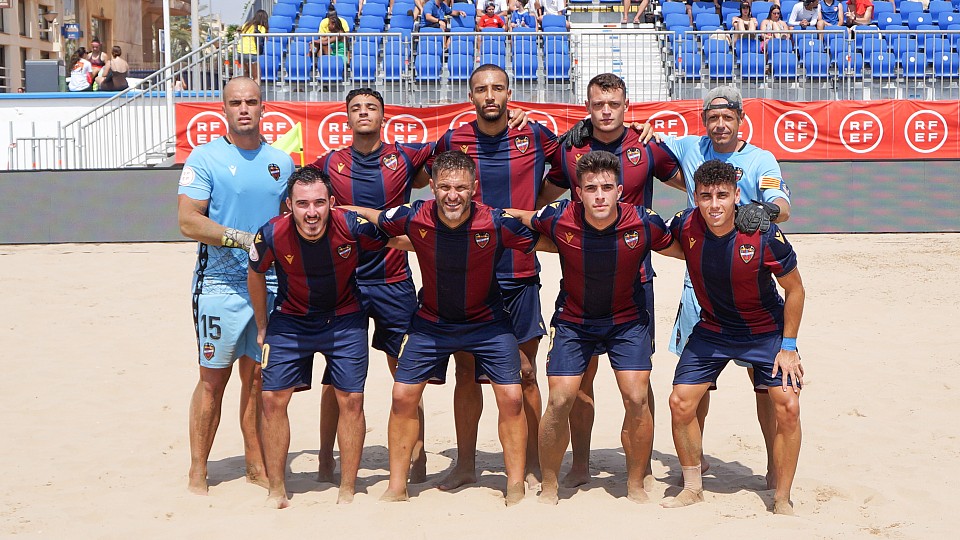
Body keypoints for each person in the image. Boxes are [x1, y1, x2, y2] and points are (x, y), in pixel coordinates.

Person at [348, 150, 554, 505]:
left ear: (474, 188)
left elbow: (548, 241)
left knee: (511, 396)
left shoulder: (496, 221)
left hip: (489, 323)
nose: (452, 194)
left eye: (460, 187)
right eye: (444, 187)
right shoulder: (414, 217)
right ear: (432, 187)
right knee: (401, 396)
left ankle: (516, 485)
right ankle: (396, 487)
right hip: (431, 323)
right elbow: (376, 219)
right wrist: (337, 212)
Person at [537, 73, 680, 491]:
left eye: (613, 104)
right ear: (587, 105)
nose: (605, 111)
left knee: (637, 381)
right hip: (581, 282)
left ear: (626, 105)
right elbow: (543, 196)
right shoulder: (572, 148)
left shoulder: (647, 144)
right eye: (598, 104)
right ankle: (580, 464)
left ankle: (643, 467)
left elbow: (690, 180)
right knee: (579, 381)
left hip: (634, 278)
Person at [511, 150, 679, 504]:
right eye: (591, 188)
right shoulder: (558, 218)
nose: (599, 195)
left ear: (620, 190)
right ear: (578, 192)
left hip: (627, 321)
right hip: (574, 322)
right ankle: (551, 485)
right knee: (560, 399)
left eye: (606, 187)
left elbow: (687, 244)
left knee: (636, 396)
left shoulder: (645, 222)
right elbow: (517, 218)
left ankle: (634, 483)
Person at [426, 64, 564, 492]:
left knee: (524, 373)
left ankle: (539, 462)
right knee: (467, 372)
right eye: (481, 89)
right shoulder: (455, 139)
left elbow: (572, 161)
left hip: (520, 272)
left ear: (509, 93)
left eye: (497, 88)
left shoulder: (536, 134)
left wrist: (534, 207)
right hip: (470, 273)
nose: (490, 95)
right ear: (471, 97)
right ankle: (465, 463)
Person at [657, 85, 793, 490]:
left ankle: (774, 464)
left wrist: (763, 210)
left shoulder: (759, 159)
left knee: (766, 389)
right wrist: (637, 131)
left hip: (750, 275)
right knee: (693, 385)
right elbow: (643, 147)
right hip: (699, 285)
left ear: (740, 119)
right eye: (713, 118)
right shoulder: (688, 147)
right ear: (704, 121)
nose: (720, 124)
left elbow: (782, 205)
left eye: (727, 117)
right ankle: (693, 468)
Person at [248, 167, 403, 508]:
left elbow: (400, 239)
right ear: (289, 206)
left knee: (352, 401)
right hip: (290, 322)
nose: (312, 212)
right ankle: (277, 489)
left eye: (320, 203)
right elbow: (255, 274)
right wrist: (262, 325)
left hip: (344, 320)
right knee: (272, 400)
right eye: (303, 204)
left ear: (333, 203)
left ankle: (347, 488)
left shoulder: (350, 227)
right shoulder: (271, 234)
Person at [661, 159, 805, 515]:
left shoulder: (762, 233)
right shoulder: (685, 224)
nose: (714, 205)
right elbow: (651, 237)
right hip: (713, 329)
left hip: (765, 332)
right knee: (680, 402)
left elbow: (796, 290)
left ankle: (782, 497)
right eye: (706, 196)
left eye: (722, 196)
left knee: (787, 407)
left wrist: (788, 347)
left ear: (736, 195)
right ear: (695, 196)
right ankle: (693, 486)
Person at [306, 88, 433, 485]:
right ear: (346, 118)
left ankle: (417, 457)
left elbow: (459, 148)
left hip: (395, 282)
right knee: (335, 380)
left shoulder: (406, 157)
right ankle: (327, 459)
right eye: (356, 108)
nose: (364, 113)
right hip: (344, 285)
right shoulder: (329, 163)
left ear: (384, 116)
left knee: (407, 376)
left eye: (371, 108)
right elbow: (294, 205)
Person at [177, 77, 295, 495]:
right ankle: (197, 470)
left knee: (260, 380)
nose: (244, 108)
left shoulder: (282, 161)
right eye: (235, 102)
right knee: (213, 380)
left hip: (270, 285)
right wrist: (242, 239)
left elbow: (292, 223)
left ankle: (255, 464)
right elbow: (188, 220)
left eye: (251, 102)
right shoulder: (205, 158)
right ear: (223, 108)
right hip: (219, 285)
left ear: (264, 107)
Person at [239, 9, 268, 80]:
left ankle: (244, 90)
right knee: (256, 75)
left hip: (241, 52)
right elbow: (263, 40)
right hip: (252, 52)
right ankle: (256, 90)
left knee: (246, 73)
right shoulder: (261, 28)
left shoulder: (246, 25)